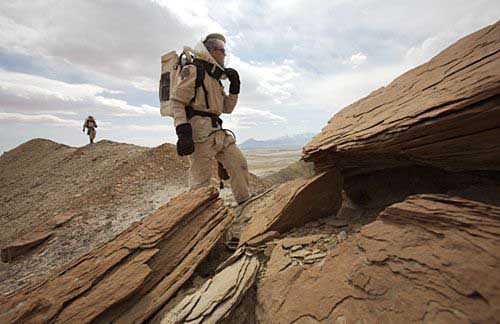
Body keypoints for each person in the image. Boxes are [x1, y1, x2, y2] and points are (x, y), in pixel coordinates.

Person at [170, 33, 251, 205]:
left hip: (217, 132)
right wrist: (182, 131)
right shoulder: (192, 70)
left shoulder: (215, 78)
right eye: (222, 51)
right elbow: (177, 102)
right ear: (213, 50)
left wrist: (235, 88)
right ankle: (199, 217)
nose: (225, 55)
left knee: (239, 164)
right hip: (199, 132)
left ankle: (246, 205)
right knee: (201, 182)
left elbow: (226, 108)